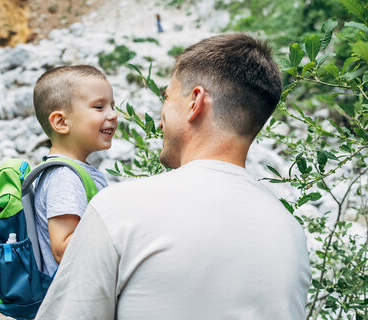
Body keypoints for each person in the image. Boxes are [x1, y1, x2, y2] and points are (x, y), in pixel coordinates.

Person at [35, 33, 311, 319]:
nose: (159, 118)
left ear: (195, 102)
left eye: (166, 97)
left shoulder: (119, 210)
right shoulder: (291, 233)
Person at [32, 65, 118, 277]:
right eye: (99, 107)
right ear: (61, 122)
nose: (113, 115)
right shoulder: (65, 177)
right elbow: (63, 249)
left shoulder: (75, 171)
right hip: (73, 302)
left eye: (112, 105)